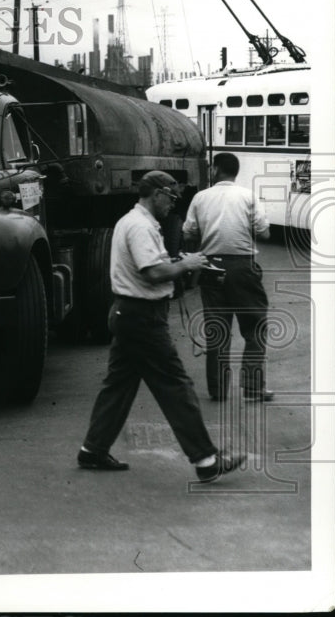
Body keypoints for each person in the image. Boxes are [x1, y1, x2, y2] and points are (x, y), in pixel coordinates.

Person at [77, 170, 246, 483]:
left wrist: (178, 259)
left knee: (119, 385)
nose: (173, 204)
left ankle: (93, 449)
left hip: (127, 314)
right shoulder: (140, 227)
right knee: (175, 385)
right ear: (156, 193)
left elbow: (151, 264)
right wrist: (188, 264)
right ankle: (206, 460)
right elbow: (153, 273)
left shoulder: (133, 222)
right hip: (143, 318)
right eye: (171, 197)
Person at [183, 152, 273, 402]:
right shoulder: (248, 196)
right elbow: (264, 233)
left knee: (218, 331)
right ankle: (254, 388)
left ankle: (218, 390)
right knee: (255, 328)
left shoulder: (200, 198)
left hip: (211, 269)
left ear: (216, 170)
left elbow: (188, 234)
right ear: (234, 171)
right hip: (243, 268)